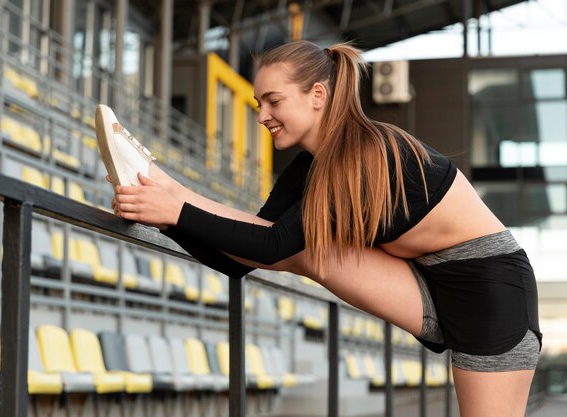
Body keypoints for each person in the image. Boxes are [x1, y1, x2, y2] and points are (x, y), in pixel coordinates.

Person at [97, 41, 542, 417]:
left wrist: (175, 209)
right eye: (258, 104)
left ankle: (165, 186)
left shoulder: (367, 155)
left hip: (490, 290)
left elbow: (269, 247)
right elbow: (246, 257)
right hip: (425, 279)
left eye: (274, 101)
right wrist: (161, 206)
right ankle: (158, 180)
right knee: (305, 252)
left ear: (317, 94)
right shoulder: (309, 169)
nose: (262, 115)